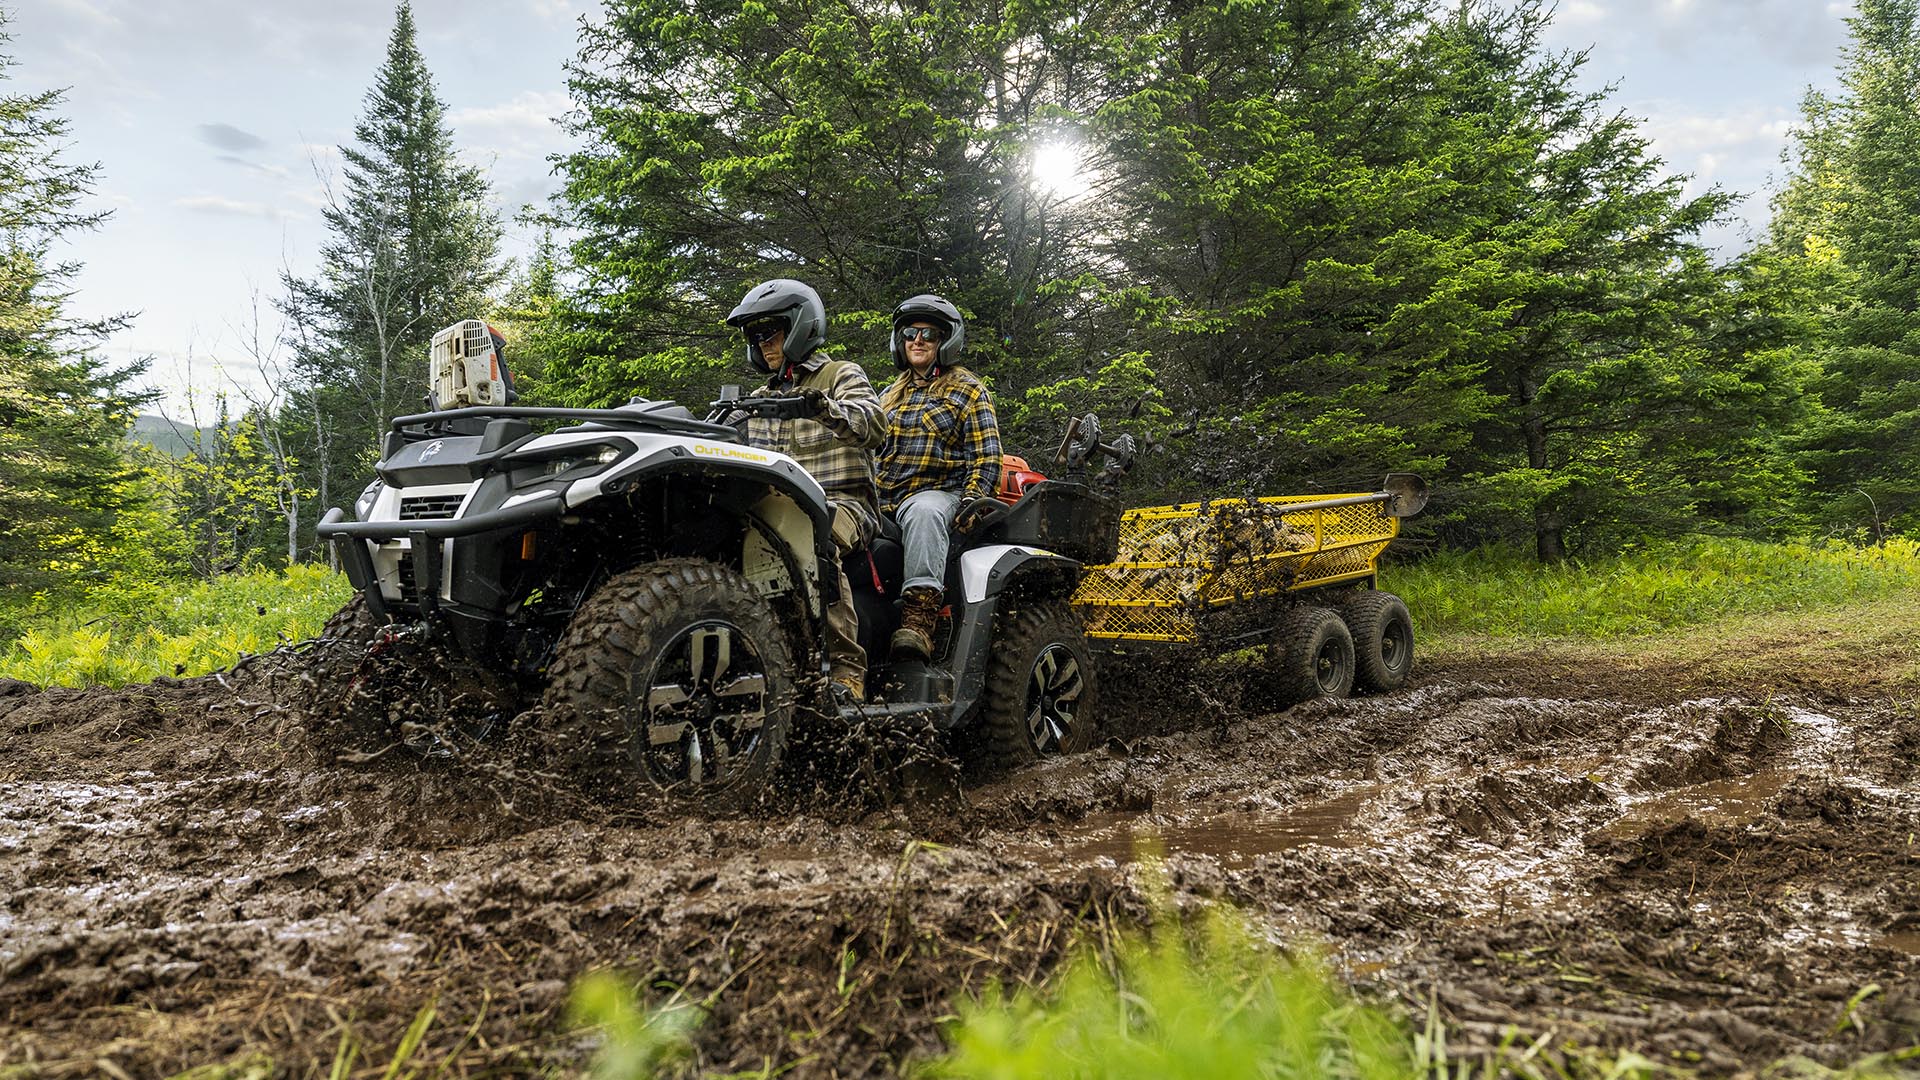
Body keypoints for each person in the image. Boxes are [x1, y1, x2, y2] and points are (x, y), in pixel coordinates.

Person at [725, 278, 886, 702]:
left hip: (842, 504)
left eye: (769, 331)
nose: (762, 343)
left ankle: (846, 672)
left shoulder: (840, 375)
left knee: (810, 536)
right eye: (753, 336)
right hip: (773, 510)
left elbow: (874, 424)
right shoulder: (755, 399)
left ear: (800, 327)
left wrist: (823, 407)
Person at [875, 294, 1001, 660]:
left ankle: (918, 619)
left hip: (938, 493)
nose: (918, 340)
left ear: (946, 342)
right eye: (910, 333)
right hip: (883, 499)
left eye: (928, 334)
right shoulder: (887, 396)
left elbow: (986, 457)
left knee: (924, 513)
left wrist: (971, 503)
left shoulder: (968, 390)